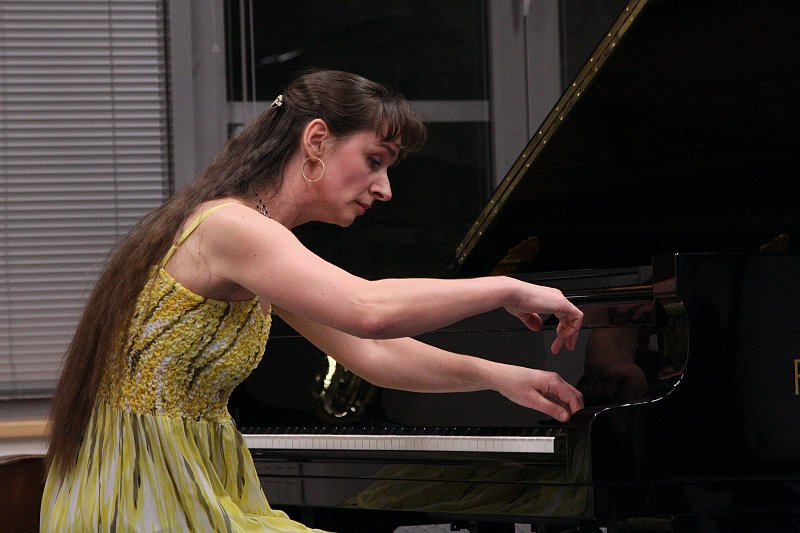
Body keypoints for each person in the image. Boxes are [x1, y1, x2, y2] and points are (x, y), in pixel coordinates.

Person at [42, 69, 584, 532]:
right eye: (374, 160)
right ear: (317, 140)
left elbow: (373, 353)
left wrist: (498, 376)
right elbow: (369, 310)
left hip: (188, 485)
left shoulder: (255, 239)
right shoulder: (230, 227)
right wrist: (506, 287)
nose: (385, 188)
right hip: (138, 496)